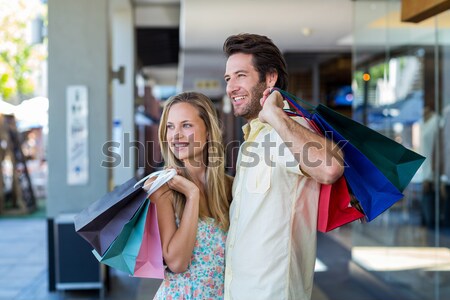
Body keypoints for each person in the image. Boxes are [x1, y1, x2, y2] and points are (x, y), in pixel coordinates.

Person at [222, 33, 345, 300]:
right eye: (228, 79)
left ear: (270, 78)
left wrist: (276, 115)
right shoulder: (250, 143)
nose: (231, 87)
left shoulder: (289, 132)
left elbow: (330, 168)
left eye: (241, 75)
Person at [144, 91, 233, 299]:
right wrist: (192, 196)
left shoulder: (230, 187)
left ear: (209, 131)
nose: (176, 135)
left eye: (186, 125)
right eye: (170, 126)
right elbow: (176, 262)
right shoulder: (162, 189)